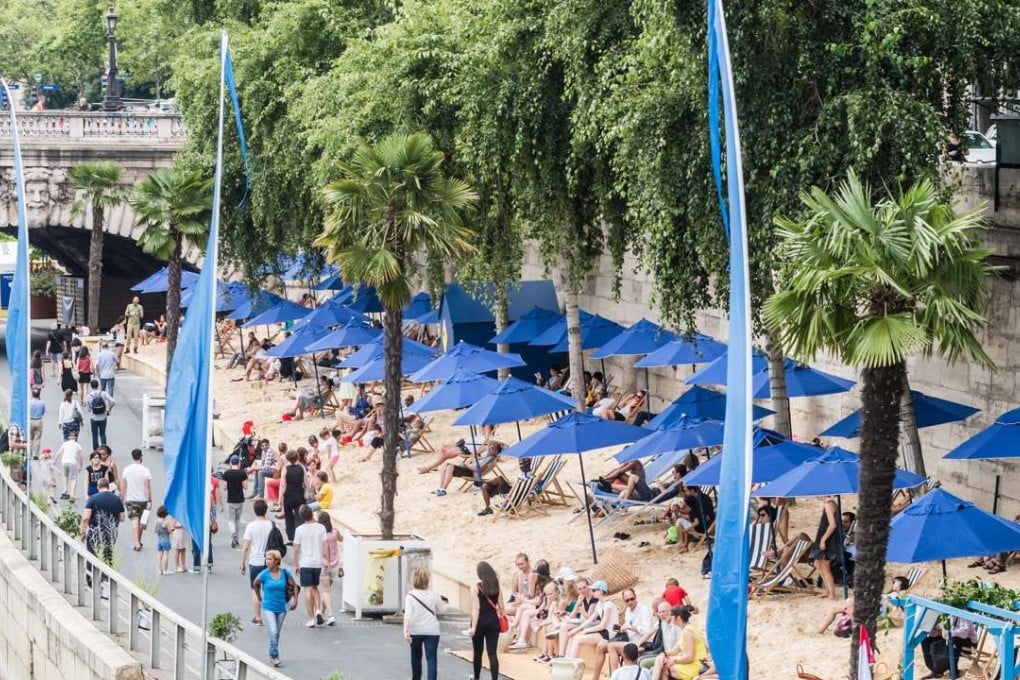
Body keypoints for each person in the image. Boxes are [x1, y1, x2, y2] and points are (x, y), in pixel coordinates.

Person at [593, 588, 654, 678]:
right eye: (627, 600)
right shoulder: (628, 610)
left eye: (632, 599)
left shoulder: (644, 609)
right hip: (629, 640)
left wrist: (631, 627)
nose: (630, 602)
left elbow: (647, 631)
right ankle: (595, 677)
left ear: (636, 597)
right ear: (624, 601)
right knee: (601, 646)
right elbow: (628, 626)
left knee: (611, 646)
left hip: (642, 643)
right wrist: (622, 628)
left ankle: (614, 677)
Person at [254, 549, 300, 668]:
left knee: (277, 633)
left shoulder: (284, 573)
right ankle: (275, 656)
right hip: (268, 606)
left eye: (269, 559)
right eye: (266, 558)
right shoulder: (264, 574)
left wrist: (295, 601)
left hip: (282, 607)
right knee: (273, 631)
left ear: (276, 561)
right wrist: (259, 597)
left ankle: (272, 653)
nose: (266, 561)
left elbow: (294, 586)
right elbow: (256, 584)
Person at [403, 567, 444, 680]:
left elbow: (408, 615)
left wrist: (405, 631)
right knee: (431, 658)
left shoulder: (410, 596)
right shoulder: (434, 595)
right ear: (427, 580)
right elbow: (441, 610)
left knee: (416, 657)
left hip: (415, 631)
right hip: (432, 631)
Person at [651, 606, 711, 680]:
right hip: (695, 663)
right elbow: (675, 650)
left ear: (678, 618)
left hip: (696, 665)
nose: (671, 617)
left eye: (672, 616)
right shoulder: (686, 629)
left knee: (665, 669)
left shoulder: (687, 631)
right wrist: (664, 653)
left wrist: (674, 661)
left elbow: (689, 657)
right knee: (661, 660)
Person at [241, 499, 275, 625]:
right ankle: (272, 617)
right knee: (269, 589)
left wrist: (243, 562)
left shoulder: (251, 526)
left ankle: (258, 617)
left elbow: (245, 546)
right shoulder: (271, 525)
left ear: (255, 511)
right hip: (269, 561)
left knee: (255, 589)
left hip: (255, 561)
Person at [564, 580, 619, 660]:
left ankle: (570, 664)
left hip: (609, 633)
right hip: (603, 632)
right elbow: (590, 619)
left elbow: (602, 626)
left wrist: (585, 631)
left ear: (601, 591)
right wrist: (576, 630)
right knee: (573, 636)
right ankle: (566, 660)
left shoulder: (608, 604)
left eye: (594, 590)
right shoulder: (600, 604)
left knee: (577, 639)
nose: (591, 592)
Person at [469, 561, 505, 680]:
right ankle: (494, 678)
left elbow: (476, 608)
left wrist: (473, 627)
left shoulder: (476, 587)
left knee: (477, 653)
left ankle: (477, 677)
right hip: (493, 621)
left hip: (479, 622)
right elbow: (501, 606)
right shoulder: (496, 585)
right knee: (492, 653)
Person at [292, 504, 327, 627]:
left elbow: (296, 549)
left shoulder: (299, 530)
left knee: (307, 589)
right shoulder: (321, 528)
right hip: (318, 562)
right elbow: (325, 545)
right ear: (312, 513)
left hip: (305, 562)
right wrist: (326, 560)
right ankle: (318, 610)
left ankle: (311, 618)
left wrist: (295, 564)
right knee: (315, 587)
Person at [79, 478, 125, 565]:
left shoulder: (92, 499)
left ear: (98, 487)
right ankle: (106, 577)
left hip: (95, 533)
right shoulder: (117, 499)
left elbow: (85, 518)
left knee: (92, 557)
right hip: (111, 533)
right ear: (108, 487)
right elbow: (122, 517)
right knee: (108, 557)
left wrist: (82, 532)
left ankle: (91, 578)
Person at [120, 448, 152, 551]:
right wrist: (149, 500)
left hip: (130, 498)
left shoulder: (126, 470)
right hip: (143, 499)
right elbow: (147, 487)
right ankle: (139, 540)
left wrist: (122, 498)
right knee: (142, 521)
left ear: (132, 457)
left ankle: (137, 542)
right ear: (141, 457)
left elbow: (124, 486)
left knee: (134, 519)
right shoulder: (146, 470)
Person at [809, 496, 839, 600]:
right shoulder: (829, 503)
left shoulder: (829, 504)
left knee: (825, 566)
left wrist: (823, 539)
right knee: (817, 563)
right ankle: (828, 591)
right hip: (824, 536)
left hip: (827, 538)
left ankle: (832, 594)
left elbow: (832, 525)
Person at [318, 512, 342, 626]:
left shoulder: (320, 535)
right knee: (326, 590)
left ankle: (330, 615)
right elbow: (342, 539)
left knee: (326, 591)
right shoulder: (335, 532)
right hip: (335, 564)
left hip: (324, 565)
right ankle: (320, 613)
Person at [278, 449, 306, 542]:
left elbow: (283, 485)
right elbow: (306, 482)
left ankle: (291, 538)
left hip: (288, 495)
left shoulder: (285, 468)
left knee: (289, 517)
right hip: (299, 494)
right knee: (299, 517)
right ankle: (300, 537)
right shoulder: (301, 467)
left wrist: (280, 498)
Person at [222, 455, 248, 548]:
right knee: (238, 519)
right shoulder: (242, 473)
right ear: (239, 463)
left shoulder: (227, 473)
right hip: (240, 499)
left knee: (231, 519)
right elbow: (245, 486)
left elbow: (224, 487)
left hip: (231, 499)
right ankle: (236, 539)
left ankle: (233, 534)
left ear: (230, 463)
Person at [85, 379, 115, 450]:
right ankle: (104, 449)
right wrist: (109, 409)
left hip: (94, 418)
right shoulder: (103, 393)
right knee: (102, 433)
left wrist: (91, 410)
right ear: (98, 386)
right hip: (103, 417)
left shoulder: (89, 396)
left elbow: (88, 409)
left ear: (91, 386)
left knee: (94, 434)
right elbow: (113, 401)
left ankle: (96, 450)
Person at [57, 431, 84, 500]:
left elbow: (59, 453)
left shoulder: (65, 444)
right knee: (74, 478)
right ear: (75, 437)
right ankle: (72, 494)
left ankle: (65, 490)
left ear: (68, 437)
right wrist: (80, 465)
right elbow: (80, 456)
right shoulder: (77, 445)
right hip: (73, 462)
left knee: (65, 476)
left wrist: (54, 461)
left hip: (64, 462)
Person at [155, 505, 173, 575]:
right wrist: (172, 529)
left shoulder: (156, 521)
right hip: (165, 539)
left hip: (159, 539)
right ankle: (165, 570)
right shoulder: (166, 522)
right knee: (165, 554)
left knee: (159, 555)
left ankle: (160, 570)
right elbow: (169, 531)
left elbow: (155, 530)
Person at [28, 389, 46, 460]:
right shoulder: (42, 403)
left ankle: (29, 453)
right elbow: (43, 412)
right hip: (39, 420)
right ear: (39, 394)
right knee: (37, 438)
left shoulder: (29, 402)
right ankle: (35, 454)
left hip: (31, 420)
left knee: (30, 438)